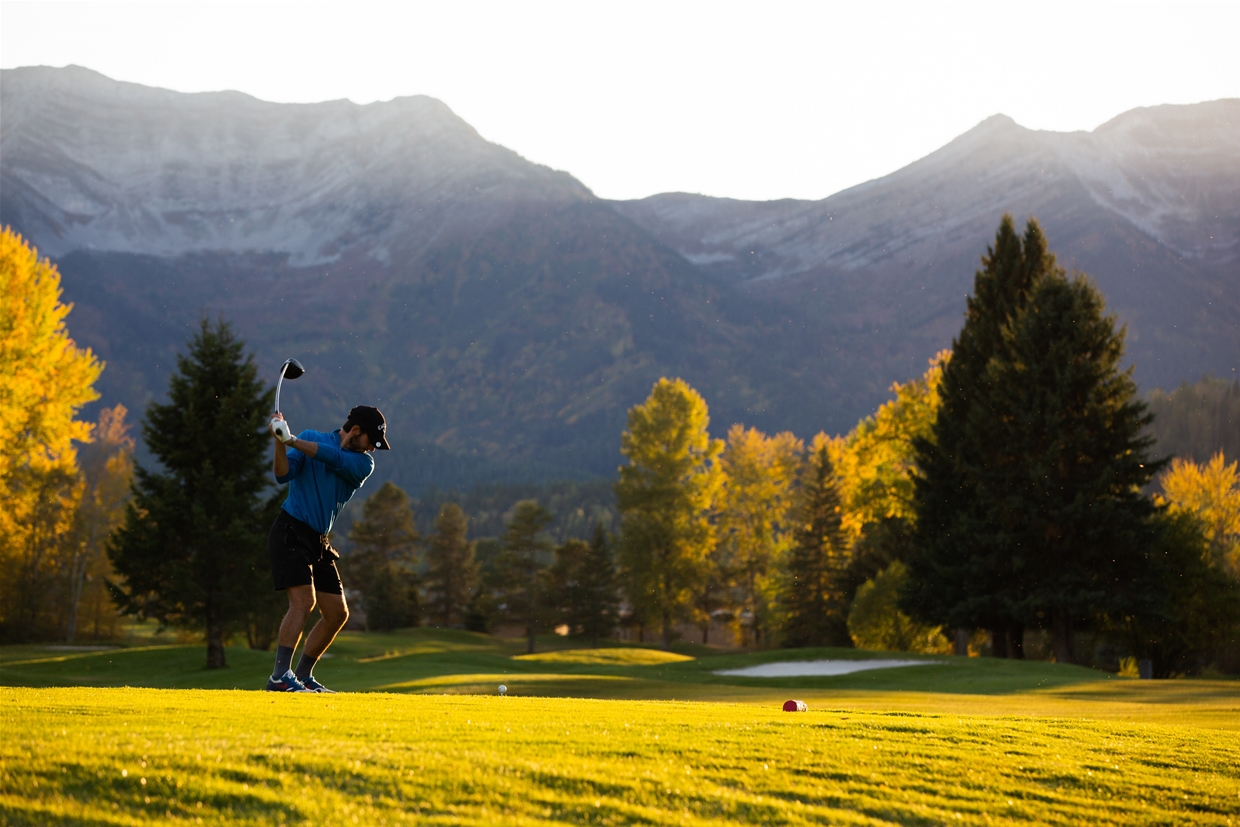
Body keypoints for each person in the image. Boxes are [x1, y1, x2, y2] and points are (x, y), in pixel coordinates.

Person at [265, 405, 390, 692]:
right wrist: (279, 442)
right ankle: (279, 677)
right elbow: (283, 475)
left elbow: (332, 457)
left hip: (318, 540)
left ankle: (303, 676)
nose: (373, 448)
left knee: (337, 613)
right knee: (303, 602)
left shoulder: (363, 464)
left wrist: (291, 439)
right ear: (356, 431)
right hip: (291, 530)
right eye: (373, 441)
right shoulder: (311, 437)